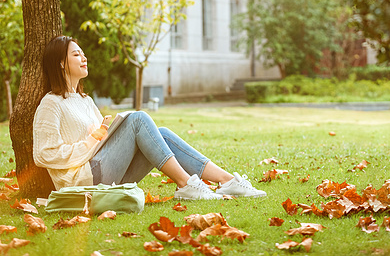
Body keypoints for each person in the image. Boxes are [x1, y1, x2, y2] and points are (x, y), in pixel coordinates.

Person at [33, 36, 266, 200]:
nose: (84, 57)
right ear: (61, 63)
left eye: (83, 53)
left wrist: (106, 131)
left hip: (108, 174)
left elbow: (100, 141)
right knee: (139, 119)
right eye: (76, 54)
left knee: (161, 134)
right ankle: (187, 184)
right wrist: (92, 140)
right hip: (84, 181)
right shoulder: (51, 104)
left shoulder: (85, 100)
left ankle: (226, 181)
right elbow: (44, 155)